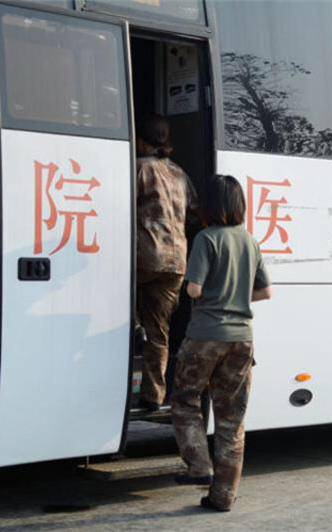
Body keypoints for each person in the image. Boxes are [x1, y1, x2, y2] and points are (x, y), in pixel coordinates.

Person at [171, 174, 272, 512]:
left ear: (209, 206)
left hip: (205, 336)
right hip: (241, 340)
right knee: (231, 420)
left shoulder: (206, 238)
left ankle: (199, 466)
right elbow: (265, 291)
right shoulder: (249, 240)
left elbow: (194, 289)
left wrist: (206, 295)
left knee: (185, 399)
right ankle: (223, 496)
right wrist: (235, 298)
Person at [136, 114, 198, 411]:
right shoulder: (179, 173)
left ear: (142, 140)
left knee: (113, 305)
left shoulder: (140, 168)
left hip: (146, 256)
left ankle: (135, 325)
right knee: (159, 330)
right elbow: (195, 210)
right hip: (176, 262)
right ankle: (153, 394)